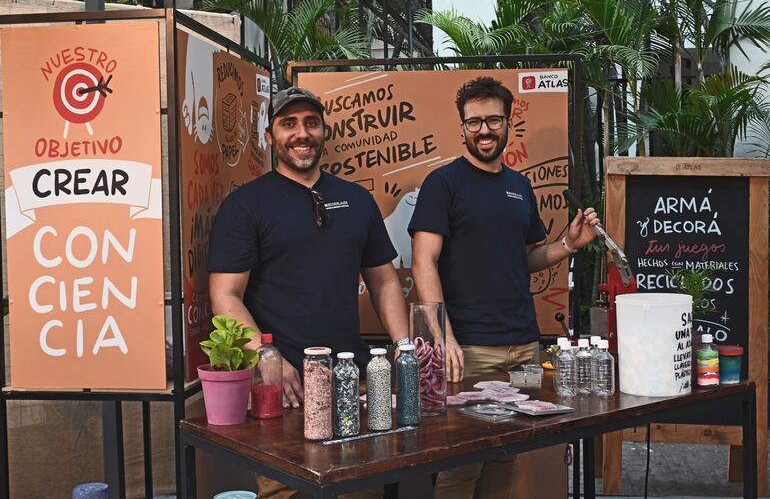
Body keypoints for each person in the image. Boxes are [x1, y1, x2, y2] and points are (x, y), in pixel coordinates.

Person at [409, 76, 599, 499]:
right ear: (462, 127)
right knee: (461, 462)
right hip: (471, 351)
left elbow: (527, 259)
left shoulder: (519, 186)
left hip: (525, 349)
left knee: (506, 454)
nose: (484, 130)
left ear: (508, 122)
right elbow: (424, 260)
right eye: (474, 122)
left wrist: (568, 244)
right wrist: (444, 338)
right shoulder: (444, 184)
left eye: (493, 120)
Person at [208, 86, 410, 412]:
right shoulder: (244, 206)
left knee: (359, 461)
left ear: (323, 131)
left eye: (311, 123)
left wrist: (403, 346)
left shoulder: (358, 201)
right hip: (281, 384)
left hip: (351, 375)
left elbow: (384, 281)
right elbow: (224, 296)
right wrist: (268, 357)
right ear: (269, 136)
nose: (302, 133)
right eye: (289, 124)